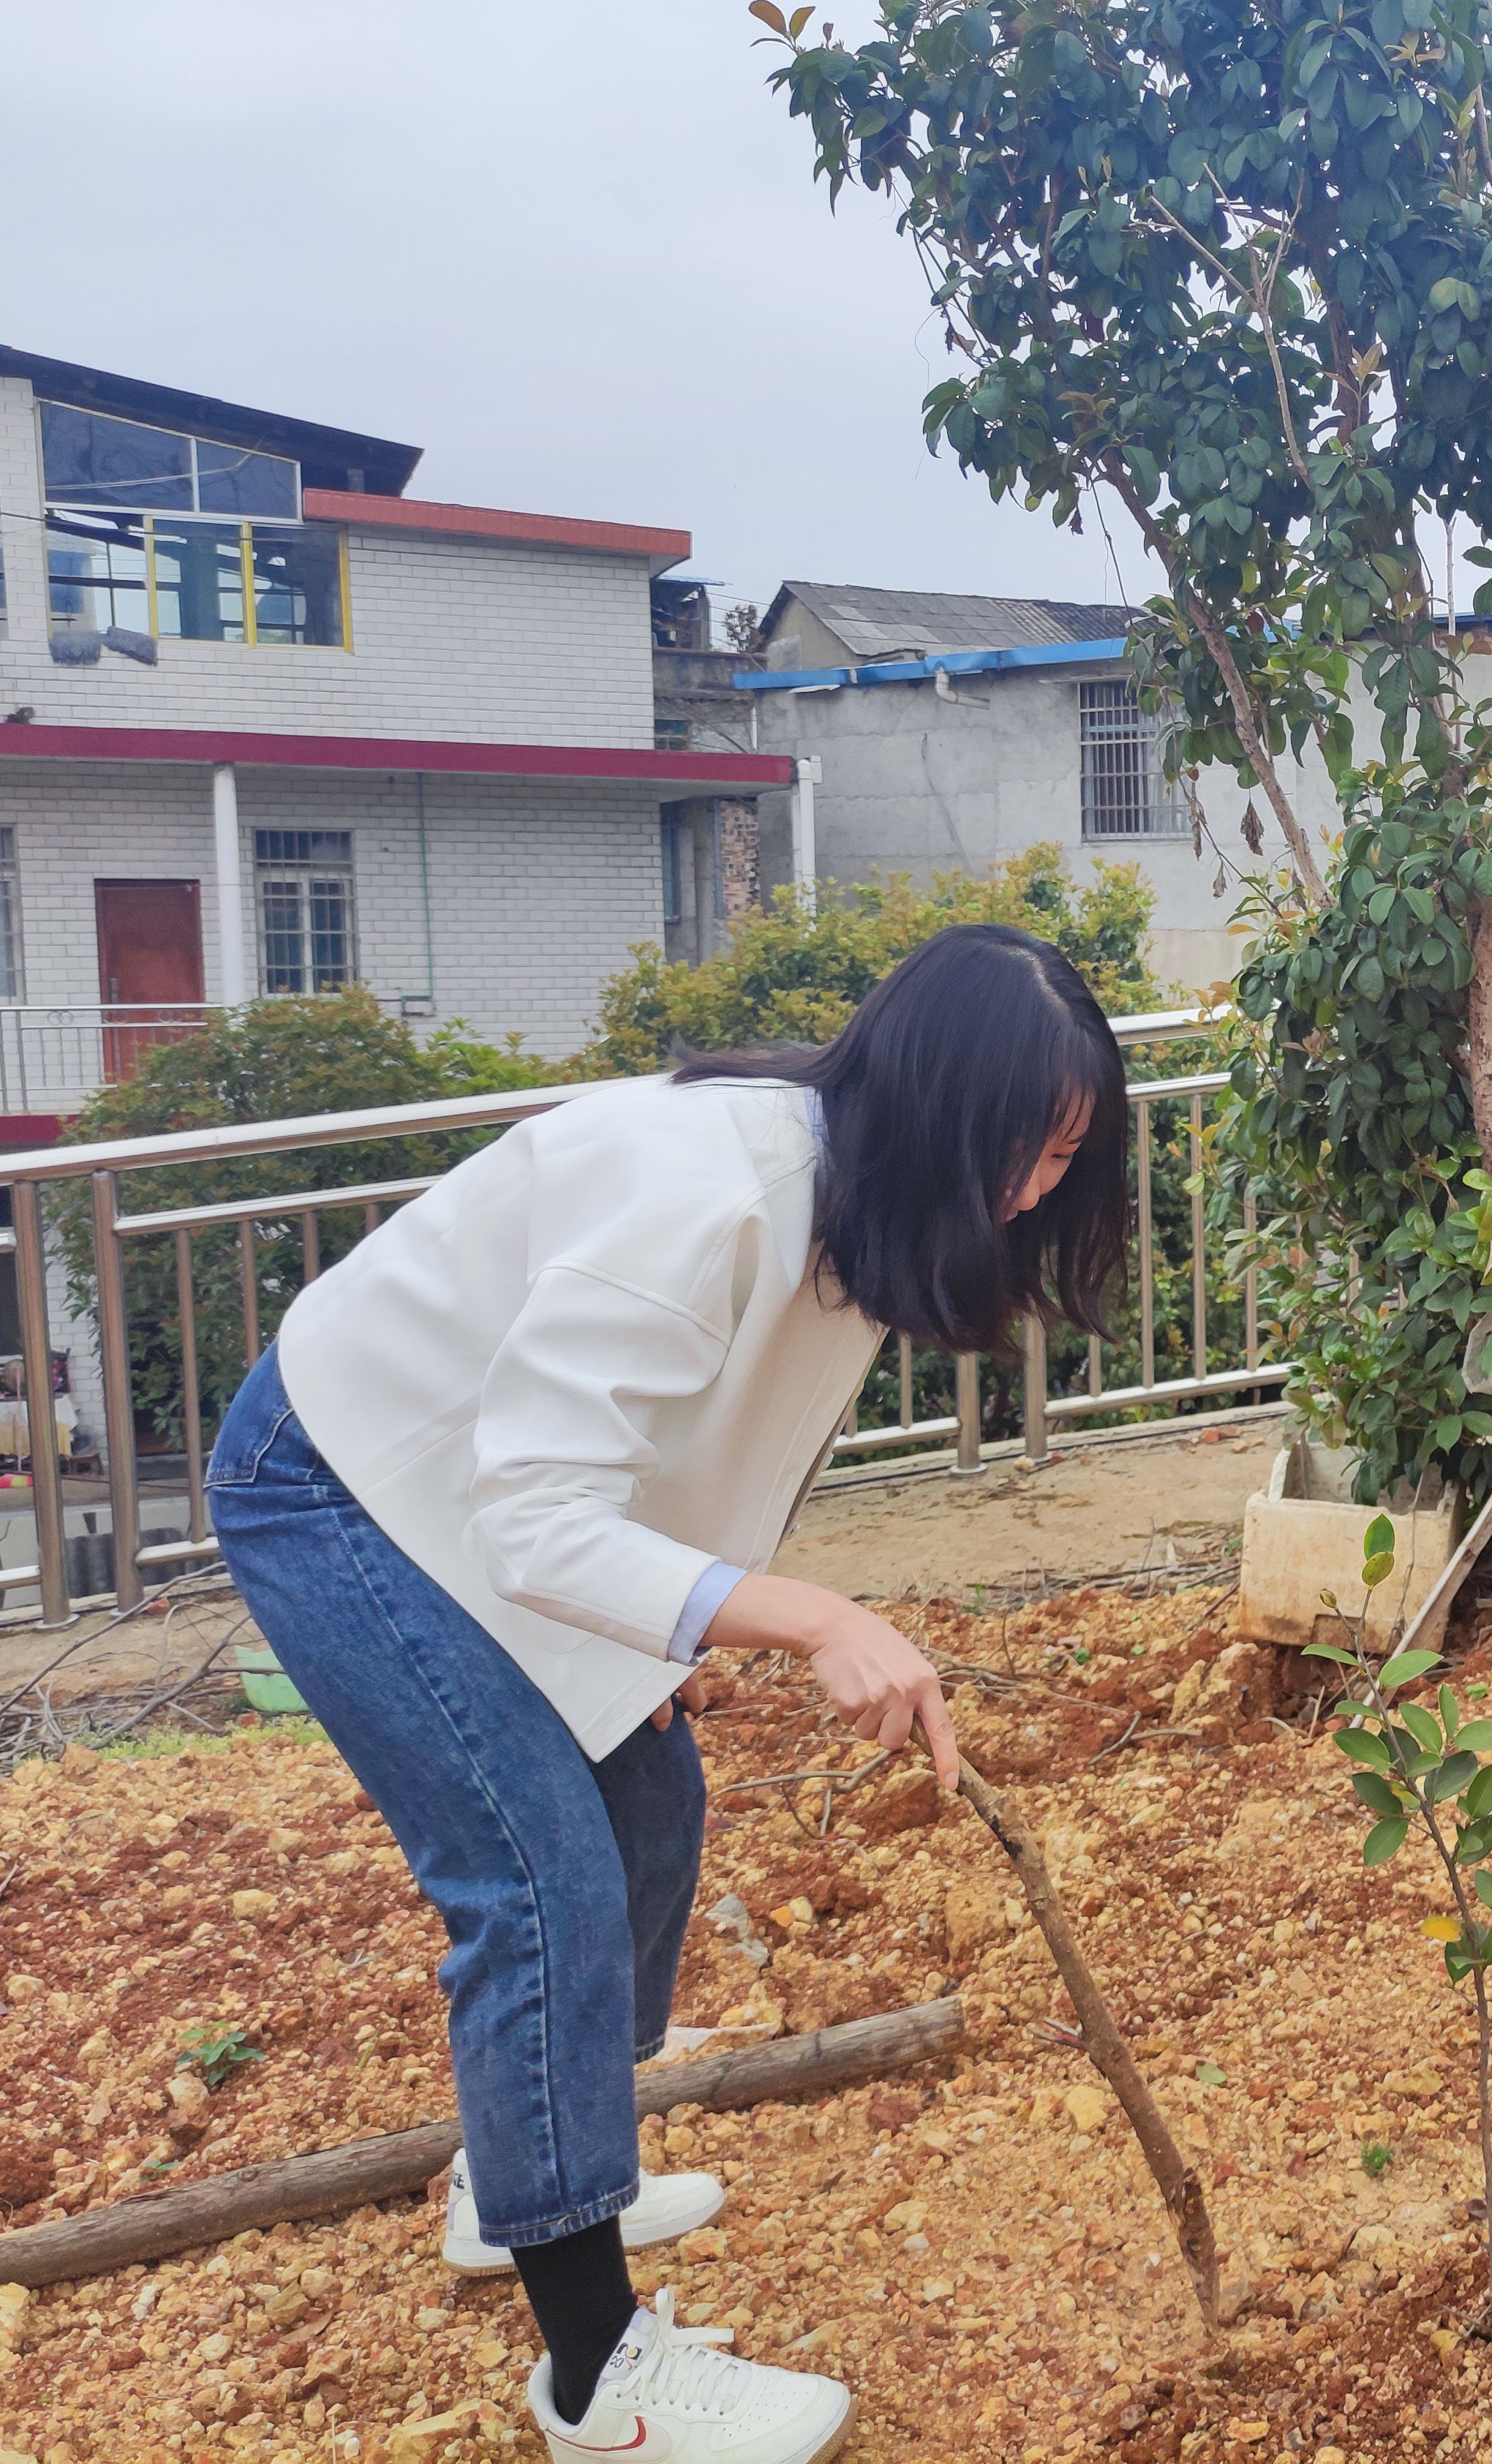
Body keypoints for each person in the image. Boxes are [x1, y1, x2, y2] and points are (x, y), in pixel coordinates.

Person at [207, 924, 1129, 2463]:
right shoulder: (709, 1192)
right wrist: (807, 1618)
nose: (1039, 1191)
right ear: (941, 1110)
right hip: (341, 1480)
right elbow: (532, 1514)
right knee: (538, 1879)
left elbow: (677, 1448)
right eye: (1031, 1149)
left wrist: (657, 1637)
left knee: (649, 1802)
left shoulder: (861, 1199)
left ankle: (521, 2174)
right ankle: (599, 2385)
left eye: (1067, 1156)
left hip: (488, 1491)